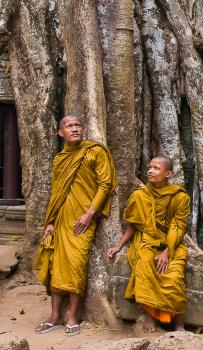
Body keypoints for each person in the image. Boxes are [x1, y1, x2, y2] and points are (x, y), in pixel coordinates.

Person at [33, 115, 116, 336]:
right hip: (61, 220)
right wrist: (49, 222)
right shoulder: (60, 159)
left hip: (82, 220)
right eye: (70, 126)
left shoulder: (95, 151)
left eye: (78, 125)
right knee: (55, 267)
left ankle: (72, 316)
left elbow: (105, 183)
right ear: (61, 133)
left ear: (84, 128)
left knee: (76, 266)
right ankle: (55, 315)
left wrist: (90, 213)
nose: (75, 129)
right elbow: (56, 192)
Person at [107, 156, 189, 332]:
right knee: (144, 264)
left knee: (175, 275)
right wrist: (119, 246)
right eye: (150, 167)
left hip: (172, 244)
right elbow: (134, 225)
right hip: (147, 241)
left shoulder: (180, 197)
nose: (150, 171)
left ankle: (179, 323)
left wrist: (167, 252)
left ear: (168, 174)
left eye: (156, 168)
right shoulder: (140, 195)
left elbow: (178, 227)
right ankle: (151, 317)